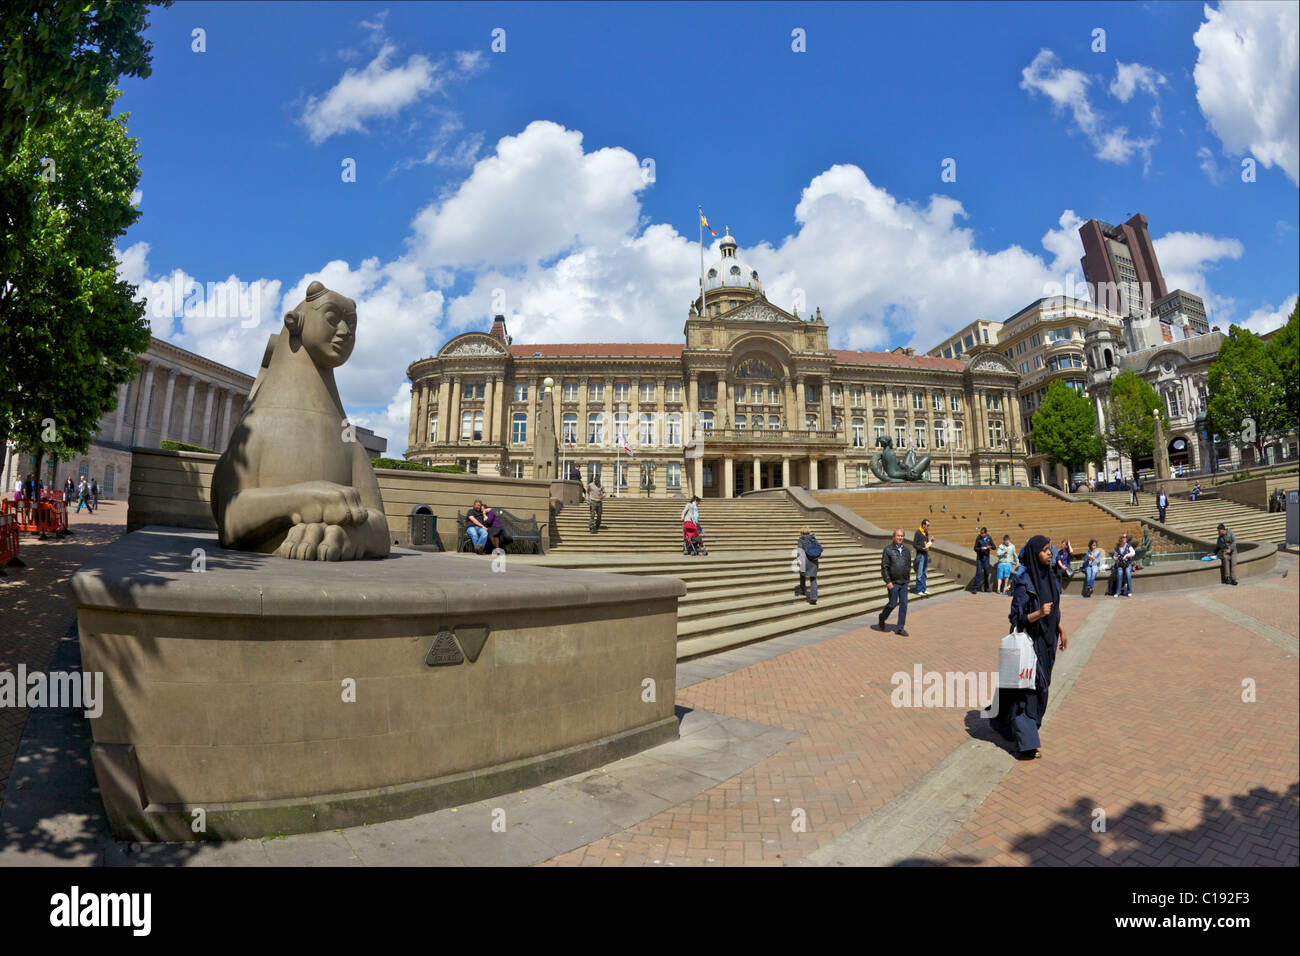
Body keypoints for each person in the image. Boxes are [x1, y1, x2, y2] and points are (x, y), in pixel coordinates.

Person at [991, 534, 1067, 759]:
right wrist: (1038, 614)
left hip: (1048, 643)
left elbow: (1054, 610)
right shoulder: (1024, 581)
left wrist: (1061, 628)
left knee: (1042, 688)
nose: (1049, 553)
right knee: (1027, 693)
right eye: (1044, 550)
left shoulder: (1052, 577)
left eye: (1049, 549)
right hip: (1030, 644)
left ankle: (1023, 731)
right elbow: (1016, 618)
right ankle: (1027, 744)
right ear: (1035, 554)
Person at [877, 527, 911, 636]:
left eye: (902, 536)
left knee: (904, 605)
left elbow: (908, 565)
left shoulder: (906, 550)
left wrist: (907, 577)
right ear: (894, 537)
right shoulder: (888, 550)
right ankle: (882, 618)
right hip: (893, 582)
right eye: (898, 536)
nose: (900, 538)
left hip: (904, 582)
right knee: (892, 604)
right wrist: (888, 581)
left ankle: (900, 628)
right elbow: (884, 567)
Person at [794, 526, 821, 605]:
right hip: (814, 561)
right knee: (813, 579)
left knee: (802, 575)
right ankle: (814, 598)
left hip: (805, 561)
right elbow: (820, 548)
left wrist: (798, 560)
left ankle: (802, 590)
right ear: (809, 532)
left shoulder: (801, 540)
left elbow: (799, 551)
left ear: (801, 532)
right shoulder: (813, 538)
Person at [969, 527, 994, 593]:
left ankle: (986, 588)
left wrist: (990, 547)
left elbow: (994, 547)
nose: (981, 534)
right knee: (979, 573)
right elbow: (975, 548)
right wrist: (980, 548)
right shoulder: (978, 538)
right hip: (980, 558)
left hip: (986, 558)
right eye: (981, 533)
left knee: (986, 573)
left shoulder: (989, 538)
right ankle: (974, 588)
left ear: (986, 533)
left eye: (983, 533)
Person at [912, 519, 932, 595]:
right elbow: (914, 544)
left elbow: (926, 544)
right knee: (919, 573)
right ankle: (919, 589)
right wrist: (921, 548)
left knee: (924, 572)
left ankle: (924, 589)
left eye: (929, 525)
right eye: (927, 525)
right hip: (920, 555)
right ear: (923, 525)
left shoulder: (926, 533)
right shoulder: (917, 533)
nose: (928, 527)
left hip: (925, 554)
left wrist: (931, 542)